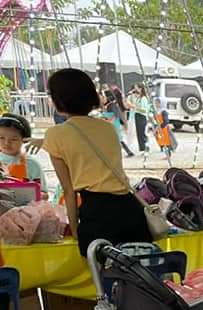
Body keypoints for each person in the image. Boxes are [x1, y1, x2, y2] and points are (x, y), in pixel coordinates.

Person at [37, 69, 152, 256]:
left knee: (103, 279)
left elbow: (68, 190)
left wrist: (74, 227)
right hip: (131, 210)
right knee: (137, 278)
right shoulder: (107, 128)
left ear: (59, 99)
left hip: (98, 215)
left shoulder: (55, 134)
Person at [0, 113, 47, 197]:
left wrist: (36, 195)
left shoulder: (32, 164)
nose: (7, 143)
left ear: (25, 140)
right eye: (1, 138)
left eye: (14, 139)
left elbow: (44, 193)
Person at [102, 88, 134, 158]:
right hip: (112, 124)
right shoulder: (108, 105)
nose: (102, 98)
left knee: (118, 139)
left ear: (108, 98)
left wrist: (108, 121)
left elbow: (114, 116)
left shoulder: (111, 105)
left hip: (113, 125)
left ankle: (129, 152)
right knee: (117, 140)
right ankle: (128, 152)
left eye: (104, 97)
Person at [127, 85, 151, 154]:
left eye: (137, 88)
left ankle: (146, 149)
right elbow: (130, 101)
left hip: (142, 116)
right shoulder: (138, 98)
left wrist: (135, 107)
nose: (135, 89)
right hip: (137, 116)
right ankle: (142, 149)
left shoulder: (143, 98)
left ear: (140, 89)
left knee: (143, 133)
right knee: (139, 133)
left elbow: (144, 110)